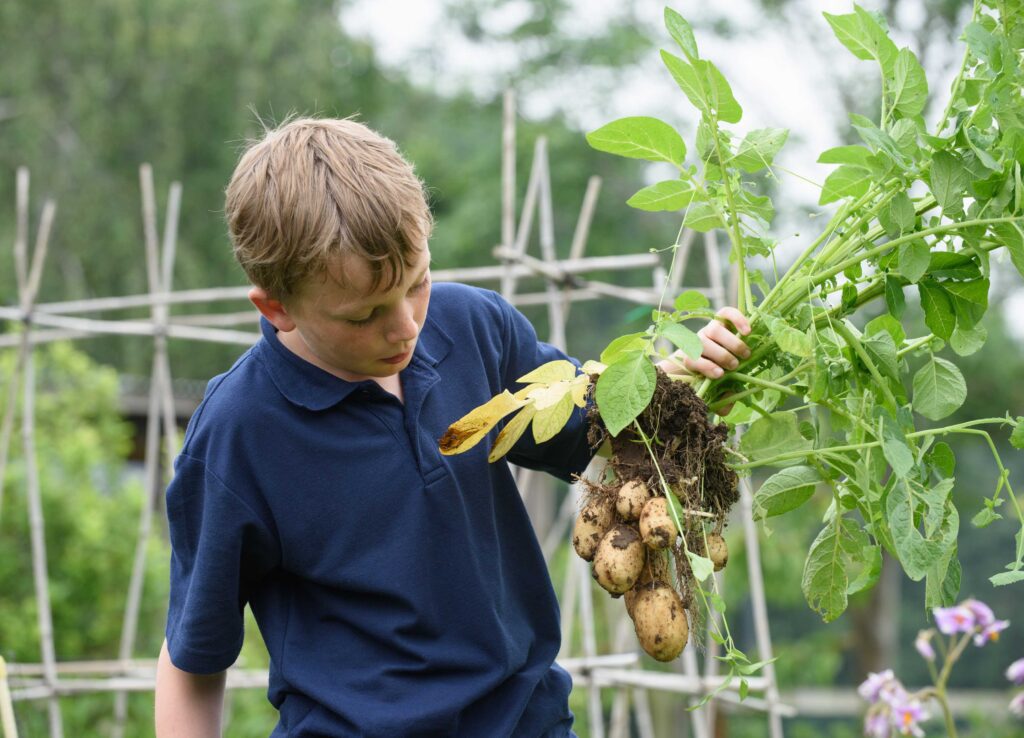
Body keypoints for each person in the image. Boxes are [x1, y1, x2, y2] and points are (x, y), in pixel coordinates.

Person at [153, 117, 750, 738]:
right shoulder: (238, 433)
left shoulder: (475, 329)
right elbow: (193, 657)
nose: (406, 326)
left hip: (531, 724)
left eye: (418, 285)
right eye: (365, 315)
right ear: (276, 307)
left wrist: (678, 381)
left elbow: (601, 428)